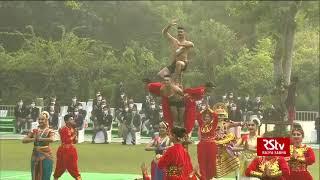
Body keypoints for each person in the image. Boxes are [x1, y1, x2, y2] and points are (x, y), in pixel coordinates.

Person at [145, 76, 213, 134]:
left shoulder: (203, 92)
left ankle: (181, 132)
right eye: (211, 88)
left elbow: (186, 92)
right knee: (175, 119)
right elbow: (190, 90)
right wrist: (186, 94)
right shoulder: (201, 90)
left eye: (167, 80)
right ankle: (176, 132)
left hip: (183, 103)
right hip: (179, 103)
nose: (212, 89)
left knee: (181, 120)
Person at [158, 19, 194, 85]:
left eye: (181, 32)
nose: (179, 33)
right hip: (174, 64)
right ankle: (169, 86)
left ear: (184, 33)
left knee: (178, 63)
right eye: (178, 32)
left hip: (183, 63)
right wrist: (169, 25)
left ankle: (176, 81)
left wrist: (181, 44)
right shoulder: (174, 41)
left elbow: (192, 45)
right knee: (160, 74)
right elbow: (164, 32)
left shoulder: (187, 42)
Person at [22, 111, 55, 180]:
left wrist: (40, 139)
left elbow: (52, 139)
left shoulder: (50, 130)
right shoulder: (34, 130)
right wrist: (34, 139)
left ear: (46, 120)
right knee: (35, 175)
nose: (40, 121)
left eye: (42, 119)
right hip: (35, 155)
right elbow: (24, 140)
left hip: (46, 155)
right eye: (39, 119)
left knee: (45, 175)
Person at [212, 102, 241, 178]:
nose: (220, 117)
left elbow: (236, 124)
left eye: (221, 115)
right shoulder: (212, 124)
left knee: (235, 161)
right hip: (216, 145)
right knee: (217, 163)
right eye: (218, 115)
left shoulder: (227, 123)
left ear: (225, 115)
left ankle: (237, 177)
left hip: (226, 144)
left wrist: (242, 123)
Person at [53, 114, 81, 180]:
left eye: (73, 119)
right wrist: (74, 135)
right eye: (71, 119)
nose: (73, 120)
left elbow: (74, 142)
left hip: (71, 150)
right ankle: (56, 177)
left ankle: (78, 177)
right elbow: (67, 140)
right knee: (60, 167)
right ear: (66, 121)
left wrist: (76, 136)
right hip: (64, 151)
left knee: (74, 167)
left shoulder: (72, 129)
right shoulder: (64, 129)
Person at [196, 107, 218, 180]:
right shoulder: (201, 124)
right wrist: (204, 110)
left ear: (211, 118)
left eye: (208, 117)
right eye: (205, 117)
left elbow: (216, 116)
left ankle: (210, 177)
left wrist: (210, 109)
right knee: (202, 161)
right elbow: (198, 116)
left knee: (211, 162)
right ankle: (203, 177)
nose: (206, 118)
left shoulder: (213, 125)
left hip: (211, 145)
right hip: (202, 145)